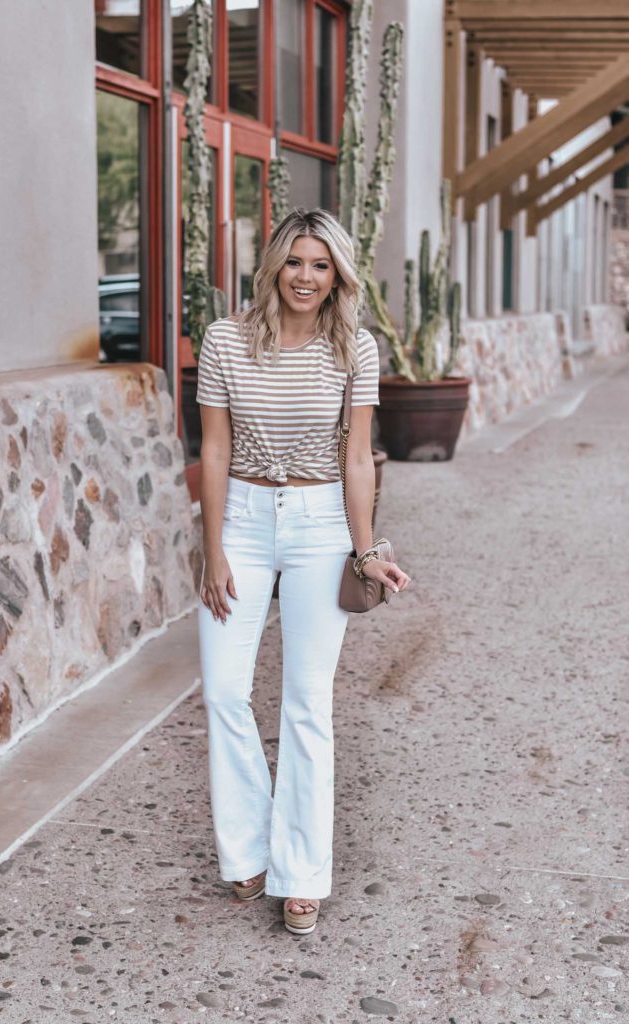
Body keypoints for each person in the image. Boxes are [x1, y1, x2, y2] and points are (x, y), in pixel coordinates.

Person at [196, 207, 411, 935]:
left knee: (305, 701)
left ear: (337, 275)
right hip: (244, 525)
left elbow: (357, 458)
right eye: (295, 262)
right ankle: (247, 849)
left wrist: (367, 549)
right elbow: (215, 451)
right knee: (224, 690)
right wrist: (212, 548)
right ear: (273, 266)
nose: (306, 277)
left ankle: (302, 871)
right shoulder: (225, 340)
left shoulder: (355, 347)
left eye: (321, 265)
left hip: (321, 524)